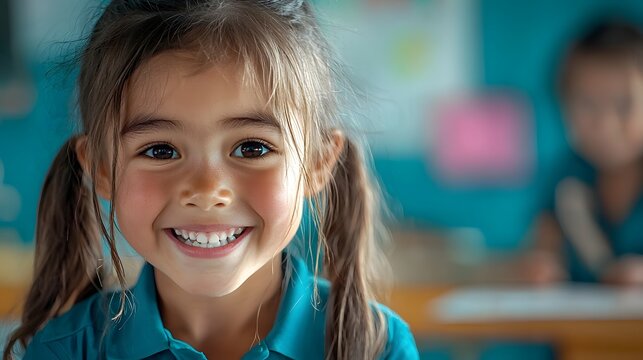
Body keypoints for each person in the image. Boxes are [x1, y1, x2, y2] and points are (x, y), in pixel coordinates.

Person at [2, 1, 419, 359]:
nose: (205, 190)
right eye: (160, 150)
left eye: (252, 148)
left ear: (317, 163)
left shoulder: (376, 348)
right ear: (103, 170)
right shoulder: (67, 350)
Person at [523, 19, 643, 286]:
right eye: (587, 105)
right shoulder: (566, 174)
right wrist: (541, 265)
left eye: (624, 105)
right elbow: (543, 245)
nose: (605, 125)